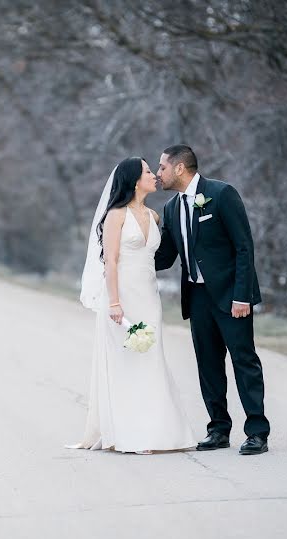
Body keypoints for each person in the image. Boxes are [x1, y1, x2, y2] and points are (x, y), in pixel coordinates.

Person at [67, 157, 196, 454]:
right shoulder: (116, 215)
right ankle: (133, 435)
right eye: (149, 171)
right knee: (127, 363)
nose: (155, 175)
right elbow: (110, 260)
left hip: (149, 297)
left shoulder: (154, 216)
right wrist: (113, 302)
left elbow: (160, 256)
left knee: (151, 359)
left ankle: (158, 431)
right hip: (121, 297)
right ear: (134, 180)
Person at [154, 145, 271, 455]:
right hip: (198, 297)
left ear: (179, 168)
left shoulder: (221, 194)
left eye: (162, 167)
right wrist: (126, 256)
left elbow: (244, 247)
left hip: (232, 295)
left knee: (244, 361)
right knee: (208, 365)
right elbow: (164, 257)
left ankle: (257, 431)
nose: (158, 173)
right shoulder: (170, 207)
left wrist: (242, 296)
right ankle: (218, 429)